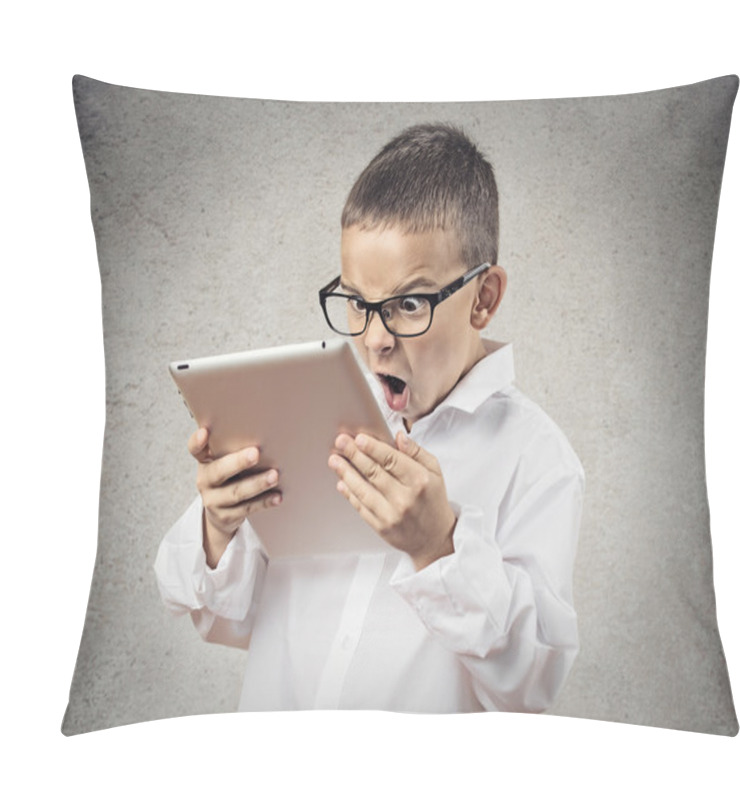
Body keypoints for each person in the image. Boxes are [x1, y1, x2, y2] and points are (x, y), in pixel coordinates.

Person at [155, 123, 584, 713]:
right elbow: (217, 616)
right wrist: (218, 525)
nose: (375, 340)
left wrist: (440, 546)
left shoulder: (537, 458)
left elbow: (532, 685)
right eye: (357, 303)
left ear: (483, 298)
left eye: (409, 303)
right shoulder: (304, 407)